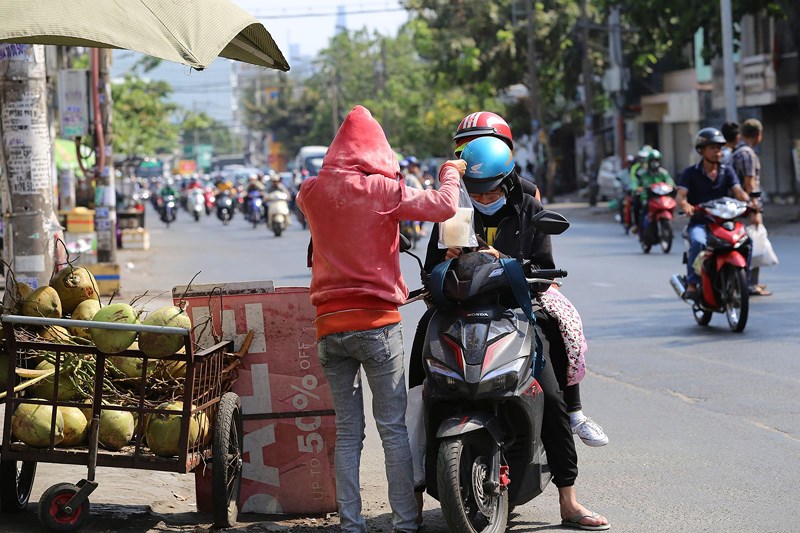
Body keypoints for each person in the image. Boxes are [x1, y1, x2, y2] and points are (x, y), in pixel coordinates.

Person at [412, 136, 610, 531]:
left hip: (515, 309)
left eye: (489, 190)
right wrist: (447, 261)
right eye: (475, 191)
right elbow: (430, 271)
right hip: (459, 310)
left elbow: (544, 268)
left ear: (506, 180)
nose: (482, 198)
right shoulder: (450, 206)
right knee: (419, 385)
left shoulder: (529, 208)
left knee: (550, 392)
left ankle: (568, 498)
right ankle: (410, 499)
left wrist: (500, 261)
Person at [296, 105, 465, 533]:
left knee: (349, 434)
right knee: (391, 428)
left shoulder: (310, 191)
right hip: (377, 325)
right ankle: (405, 523)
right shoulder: (383, 192)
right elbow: (446, 207)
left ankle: (351, 525)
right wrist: (450, 170)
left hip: (329, 328)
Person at [444, 110, 605, 447]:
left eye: (482, 145)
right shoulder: (452, 192)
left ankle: (573, 409)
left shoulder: (527, 195)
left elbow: (535, 247)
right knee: (424, 339)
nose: (473, 155)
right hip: (466, 289)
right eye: (464, 150)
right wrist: (447, 258)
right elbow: (436, 248)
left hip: (518, 284)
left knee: (565, 324)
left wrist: (510, 263)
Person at [675, 127, 753, 301]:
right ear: (702, 150)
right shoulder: (690, 173)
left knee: (747, 241)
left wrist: (750, 202)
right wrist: (686, 205)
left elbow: (739, 191)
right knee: (698, 242)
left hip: (724, 223)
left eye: (719, 148)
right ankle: (692, 284)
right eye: (712, 147)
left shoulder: (727, 171)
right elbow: (681, 196)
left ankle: (743, 280)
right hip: (701, 223)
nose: (717, 151)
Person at [731, 118, 771, 296]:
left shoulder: (738, 152)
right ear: (759, 135)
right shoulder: (747, 154)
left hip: (737, 207)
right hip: (745, 208)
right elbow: (749, 183)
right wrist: (755, 209)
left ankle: (750, 282)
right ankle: (748, 284)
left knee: (748, 243)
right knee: (751, 244)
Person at [631, 149, 675, 231]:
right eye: (653, 161)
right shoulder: (643, 174)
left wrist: (673, 188)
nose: (655, 163)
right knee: (637, 205)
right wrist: (636, 189)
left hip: (661, 197)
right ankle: (637, 226)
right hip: (647, 198)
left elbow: (671, 183)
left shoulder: (663, 173)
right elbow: (636, 184)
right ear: (649, 161)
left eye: (657, 160)